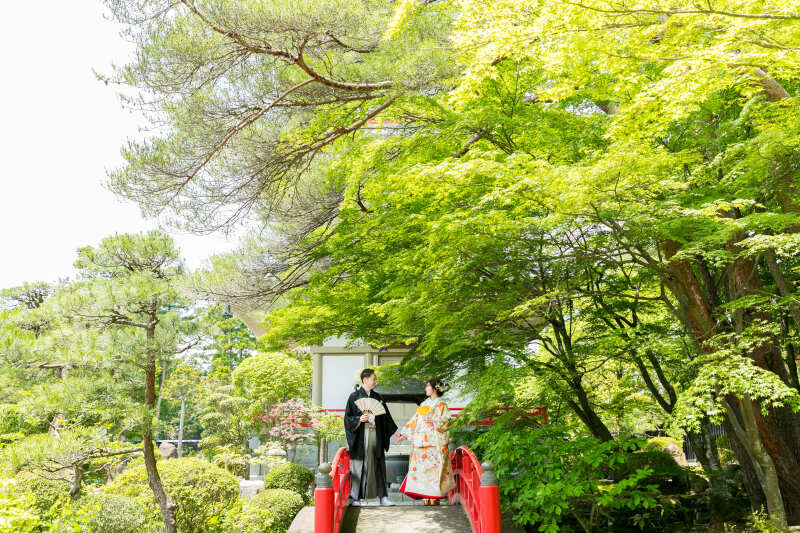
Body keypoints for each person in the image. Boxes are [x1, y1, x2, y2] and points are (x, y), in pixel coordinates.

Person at [395, 378, 455, 505]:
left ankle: (434, 496)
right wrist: (403, 435)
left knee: (434, 471)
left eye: (428, 386)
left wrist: (434, 422)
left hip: (434, 442)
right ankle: (425, 496)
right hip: (421, 441)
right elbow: (414, 421)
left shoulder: (441, 404)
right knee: (422, 470)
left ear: (435, 389)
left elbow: (447, 421)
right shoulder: (423, 405)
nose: (426, 389)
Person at [344, 368, 398, 506]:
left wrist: (395, 432)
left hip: (375, 435)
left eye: (375, 379)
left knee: (378, 465)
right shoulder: (353, 397)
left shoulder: (378, 397)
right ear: (365, 380)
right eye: (373, 379)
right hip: (360, 437)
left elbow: (387, 419)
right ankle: (355, 497)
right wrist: (359, 419)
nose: (375, 381)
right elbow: (347, 418)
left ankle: (382, 497)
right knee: (359, 466)